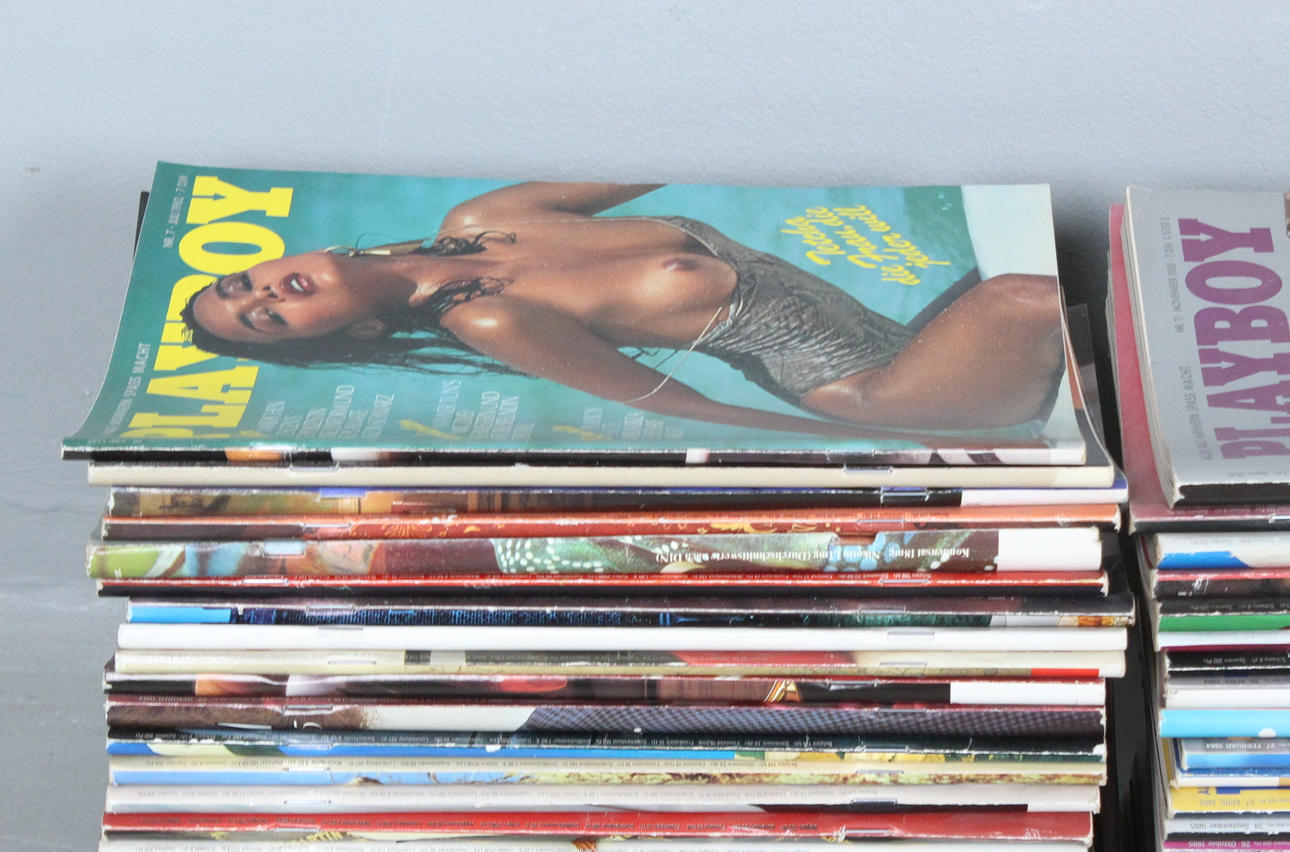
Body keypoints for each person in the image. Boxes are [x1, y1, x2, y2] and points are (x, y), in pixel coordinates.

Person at [182, 181, 1067, 445]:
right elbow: (675, 403)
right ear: (352, 334)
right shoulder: (488, 320)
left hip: (910, 339)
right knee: (1024, 296)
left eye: (243, 282)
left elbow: (669, 150)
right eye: (263, 321)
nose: (264, 294)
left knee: (1035, 273)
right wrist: (902, 437)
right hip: (871, 386)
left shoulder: (485, 217)